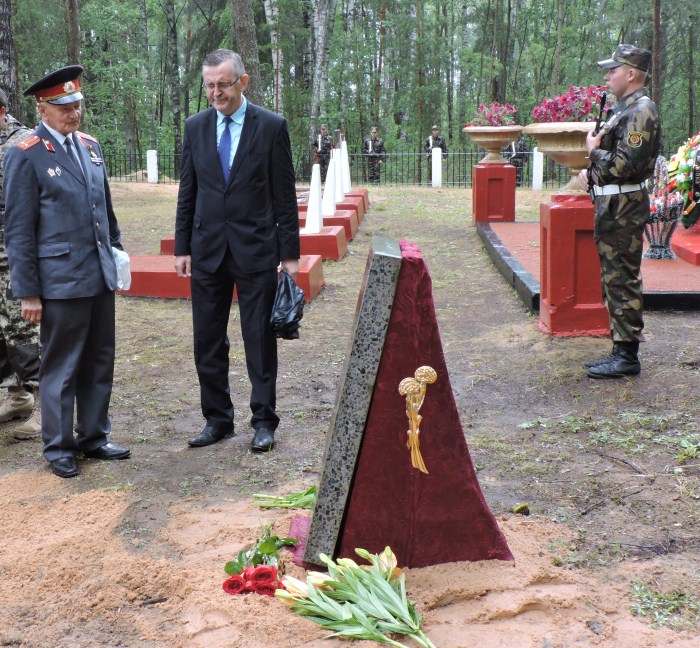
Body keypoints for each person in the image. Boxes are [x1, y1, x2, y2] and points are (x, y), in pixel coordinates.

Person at [3, 66, 130, 477]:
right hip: (59, 281)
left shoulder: (90, 147)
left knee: (99, 360)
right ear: (42, 107)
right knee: (61, 365)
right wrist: (28, 292)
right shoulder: (25, 153)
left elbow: (104, 212)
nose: (73, 113)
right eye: (64, 107)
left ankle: (93, 436)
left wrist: (118, 256)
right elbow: (18, 230)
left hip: (97, 274)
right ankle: (59, 446)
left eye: (77, 105)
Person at [175, 49, 300, 453]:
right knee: (207, 340)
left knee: (259, 339)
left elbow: (284, 196)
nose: (216, 92)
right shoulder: (195, 127)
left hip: (256, 249)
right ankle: (217, 419)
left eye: (224, 84)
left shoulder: (271, 127)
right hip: (207, 250)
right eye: (210, 85)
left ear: (242, 82)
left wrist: (290, 256)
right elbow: (187, 192)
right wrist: (181, 247)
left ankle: (264, 421)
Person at [577, 45, 660, 379]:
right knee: (613, 277)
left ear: (631, 74)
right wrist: (591, 174)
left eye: (613, 70)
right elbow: (616, 162)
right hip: (613, 206)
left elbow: (629, 164)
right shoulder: (623, 110)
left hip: (623, 209)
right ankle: (619, 350)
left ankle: (627, 356)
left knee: (622, 278)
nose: (607, 76)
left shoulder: (642, 111)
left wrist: (594, 154)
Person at [0, 89, 41, 440]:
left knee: (24, 330)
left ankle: (46, 408)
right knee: (2, 333)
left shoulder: (24, 143)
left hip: (14, 257)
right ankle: (18, 397)